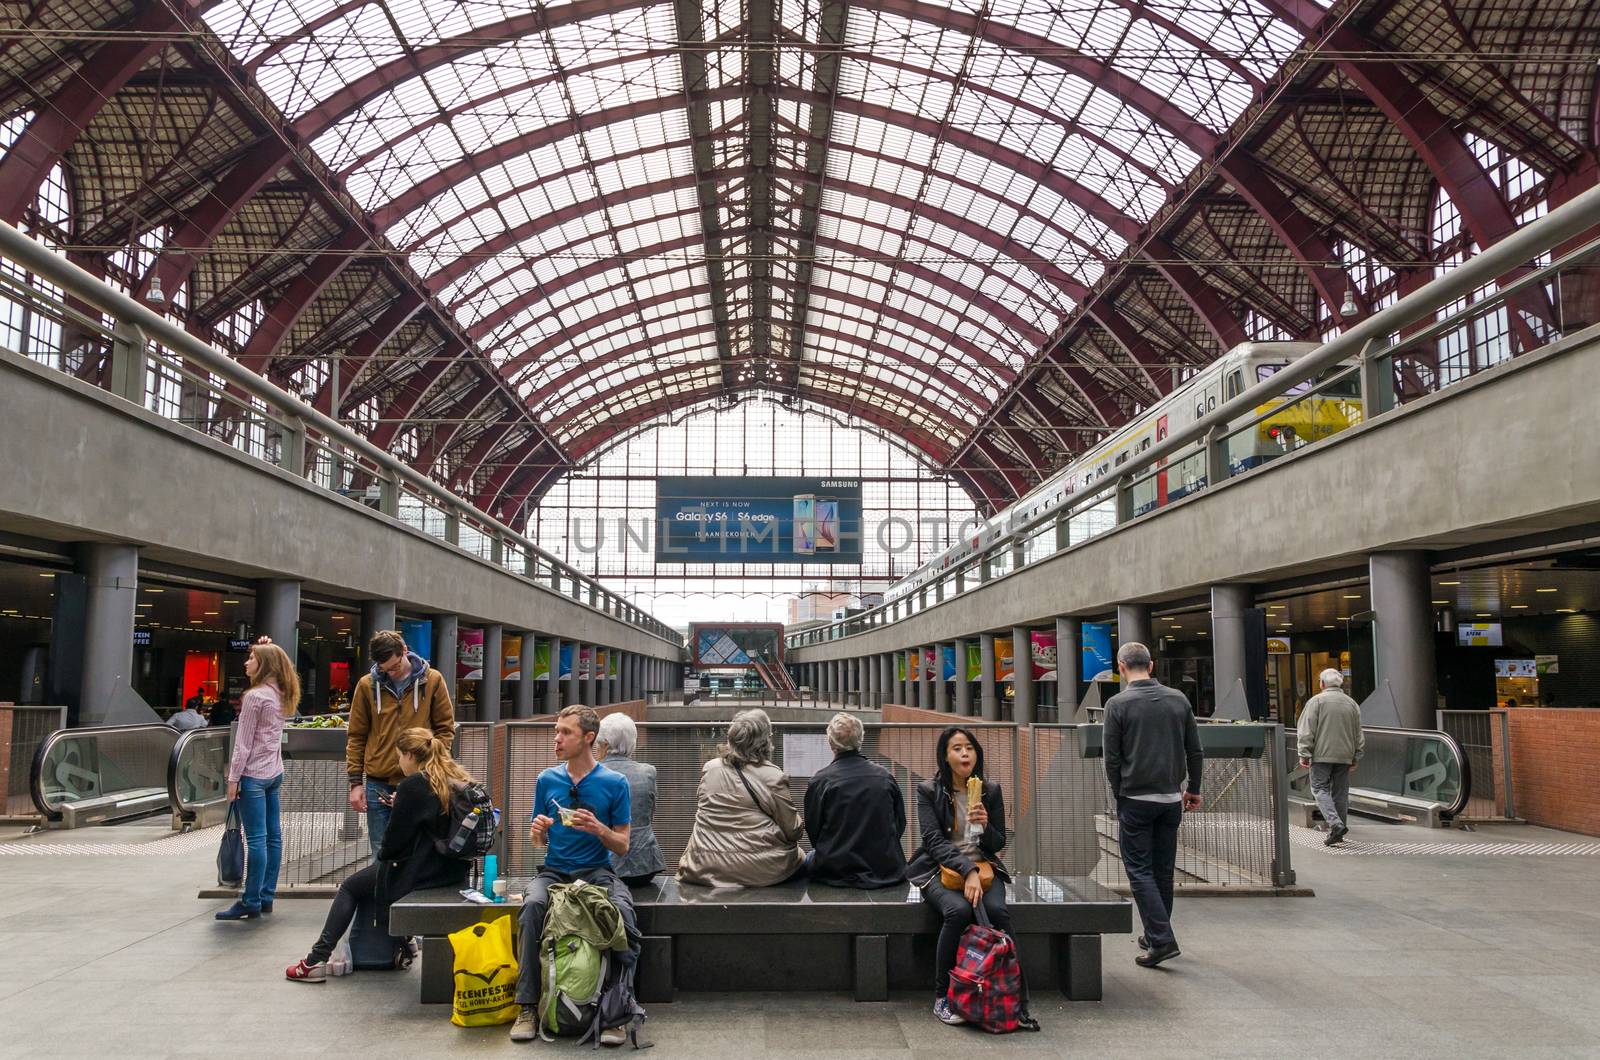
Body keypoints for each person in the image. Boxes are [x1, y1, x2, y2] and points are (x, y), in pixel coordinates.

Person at [286, 727, 472, 981]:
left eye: (399, 757)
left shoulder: (414, 785)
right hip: (452, 870)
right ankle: (405, 942)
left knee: (351, 886)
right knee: (375, 878)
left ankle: (315, 959)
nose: (398, 763)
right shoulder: (455, 776)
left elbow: (393, 845)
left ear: (409, 755)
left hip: (424, 872)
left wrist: (397, 820)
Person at [511, 706, 638, 1046]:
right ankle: (526, 1007)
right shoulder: (546, 780)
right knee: (532, 907)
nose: (557, 738)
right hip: (554, 871)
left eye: (565, 732)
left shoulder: (615, 783)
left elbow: (623, 845)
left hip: (597, 871)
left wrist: (599, 829)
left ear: (588, 738)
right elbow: (538, 842)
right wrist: (538, 831)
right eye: (557, 731)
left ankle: (618, 1011)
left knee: (623, 914)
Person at [1103, 642, 1203, 968]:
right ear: (1152, 664)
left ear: (1121, 667)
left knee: (1139, 871)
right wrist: (1194, 789)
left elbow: (1112, 759)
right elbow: (1195, 750)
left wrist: (1120, 793)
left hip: (1136, 798)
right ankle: (1155, 934)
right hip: (1171, 798)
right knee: (1162, 871)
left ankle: (1160, 939)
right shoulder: (1179, 699)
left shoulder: (1117, 704)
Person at [906, 727, 1013, 1026]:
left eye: (969, 747)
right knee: (958, 911)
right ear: (945, 755)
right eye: (957, 748)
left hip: (985, 868)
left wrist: (986, 825)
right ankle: (942, 995)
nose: (964, 753)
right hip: (940, 869)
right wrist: (968, 871)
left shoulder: (990, 790)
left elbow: (998, 842)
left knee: (997, 912)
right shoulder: (929, 790)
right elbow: (933, 841)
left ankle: (1009, 988)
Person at [346, 630, 455, 855]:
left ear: (405, 651)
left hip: (420, 780)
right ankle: (385, 892)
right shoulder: (367, 685)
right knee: (382, 853)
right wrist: (355, 782)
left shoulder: (432, 680)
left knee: (419, 851)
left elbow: (445, 729)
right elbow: (356, 735)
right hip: (379, 781)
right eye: (385, 669)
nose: (392, 673)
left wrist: (432, 768)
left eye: (395, 666)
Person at [216, 641, 298, 920]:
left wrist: (232, 779)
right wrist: (269, 645)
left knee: (257, 840)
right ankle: (266, 896)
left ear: (264, 665)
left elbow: (243, 744)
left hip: (252, 775)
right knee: (274, 838)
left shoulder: (255, 697)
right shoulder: (281, 694)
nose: (246, 662)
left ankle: (249, 900)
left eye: (251, 658)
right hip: (274, 773)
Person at [676, 709, 804, 888]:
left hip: (704, 865)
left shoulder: (710, 769)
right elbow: (794, 831)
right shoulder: (773, 776)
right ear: (765, 741)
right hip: (760, 869)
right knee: (801, 858)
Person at [803, 712, 907, 888]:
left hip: (834, 869)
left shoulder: (820, 781)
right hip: (886, 868)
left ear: (830, 743)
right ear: (861, 739)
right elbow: (900, 823)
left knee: (806, 858)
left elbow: (814, 830)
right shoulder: (884, 777)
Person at [596, 713, 667, 887]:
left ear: (605, 745)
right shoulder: (648, 772)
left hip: (603, 867)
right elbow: (649, 815)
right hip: (644, 866)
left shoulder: (591, 774)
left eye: (597, 744)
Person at [1297, 668, 1364, 846]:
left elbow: (1306, 730)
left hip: (1321, 755)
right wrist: (1356, 756)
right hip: (1345, 756)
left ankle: (1335, 824)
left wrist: (1304, 753)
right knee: (1340, 793)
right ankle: (1339, 832)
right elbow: (1358, 733)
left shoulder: (1316, 702)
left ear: (1322, 684)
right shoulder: (1352, 704)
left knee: (1319, 789)